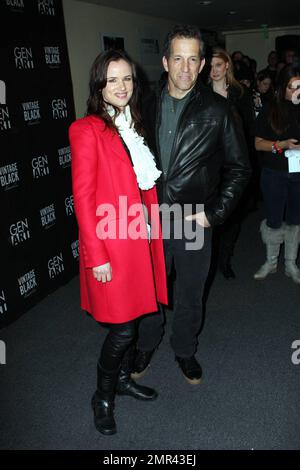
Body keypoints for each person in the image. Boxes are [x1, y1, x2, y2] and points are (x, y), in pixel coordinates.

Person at [131, 25, 251, 384]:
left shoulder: (220, 110)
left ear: (202, 66)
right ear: (166, 62)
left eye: (193, 59)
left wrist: (215, 215)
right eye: (178, 58)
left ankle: (184, 349)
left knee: (189, 291)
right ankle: (146, 343)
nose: (185, 67)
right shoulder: (144, 105)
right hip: (152, 216)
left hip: (193, 219)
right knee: (150, 289)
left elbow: (240, 169)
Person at [69, 49, 167, 435]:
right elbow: (84, 198)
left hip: (137, 242)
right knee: (123, 329)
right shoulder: (86, 129)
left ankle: (123, 380)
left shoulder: (131, 125)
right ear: (99, 85)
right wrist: (97, 256)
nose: (121, 86)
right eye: (112, 80)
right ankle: (103, 395)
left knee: (139, 316)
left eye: (127, 78)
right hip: (111, 248)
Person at [208, 47, 255, 279]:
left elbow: (248, 131)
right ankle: (209, 260)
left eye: (218, 65)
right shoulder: (201, 93)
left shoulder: (240, 93)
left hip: (234, 162)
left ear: (227, 66)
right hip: (210, 164)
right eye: (211, 66)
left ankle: (225, 260)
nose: (214, 70)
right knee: (210, 213)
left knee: (232, 216)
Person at [254, 65, 300, 283]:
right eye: (291, 87)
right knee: (273, 220)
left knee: (295, 220)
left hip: (298, 173)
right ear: (282, 87)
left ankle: (290, 264)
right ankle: (271, 262)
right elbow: (257, 143)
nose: (296, 91)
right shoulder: (270, 107)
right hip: (274, 171)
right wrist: (281, 144)